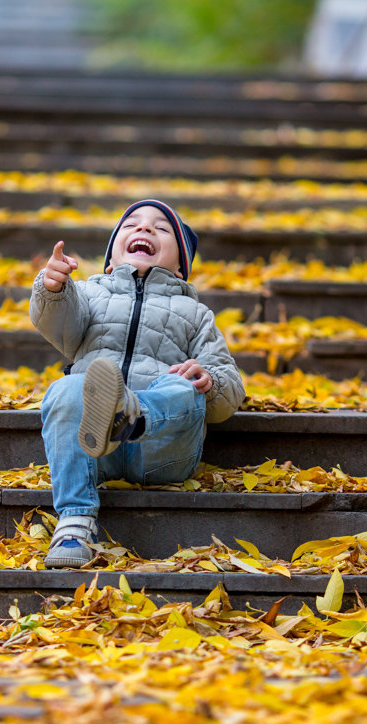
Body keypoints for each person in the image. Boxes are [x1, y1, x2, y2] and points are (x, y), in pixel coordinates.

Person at [30, 199, 245, 568]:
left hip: (163, 448)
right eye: (132, 225)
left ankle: (134, 415)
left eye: (160, 229)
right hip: (92, 446)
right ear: (111, 259)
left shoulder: (195, 314)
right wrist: (53, 289)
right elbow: (58, 324)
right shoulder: (89, 295)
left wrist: (210, 381)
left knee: (182, 386)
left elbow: (229, 384)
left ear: (181, 269)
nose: (144, 229)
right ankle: (75, 523)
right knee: (65, 388)